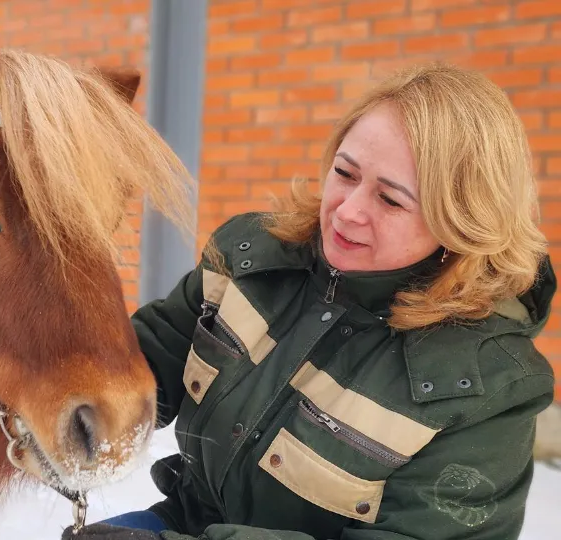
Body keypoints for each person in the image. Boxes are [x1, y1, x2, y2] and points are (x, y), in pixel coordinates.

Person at [62, 62, 557, 539]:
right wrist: (63, 392)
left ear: (458, 224)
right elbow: (147, 360)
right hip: (185, 520)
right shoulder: (250, 257)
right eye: (344, 173)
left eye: (390, 200)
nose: (348, 212)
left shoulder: (488, 388)